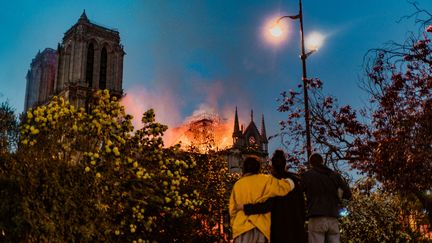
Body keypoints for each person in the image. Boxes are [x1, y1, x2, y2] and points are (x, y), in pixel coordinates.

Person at [240, 149, 307, 243]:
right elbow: (302, 206)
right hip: (296, 229)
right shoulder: (294, 182)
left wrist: (246, 208)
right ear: (284, 164)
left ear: (272, 165)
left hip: (278, 230)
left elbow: (266, 206)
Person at [229, 156, 295, 243]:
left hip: (241, 227)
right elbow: (284, 187)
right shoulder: (266, 180)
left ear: (244, 168)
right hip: (260, 227)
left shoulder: (238, 185)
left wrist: (234, 226)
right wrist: (290, 181)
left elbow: (232, 210)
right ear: (258, 167)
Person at [301, 153, 351, 243]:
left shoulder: (307, 175)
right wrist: (342, 206)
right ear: (322, 161)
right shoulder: (335, 175)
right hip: (333, 217)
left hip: (316, 216)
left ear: (311, 163)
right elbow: (348, 194)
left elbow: (298, 192)